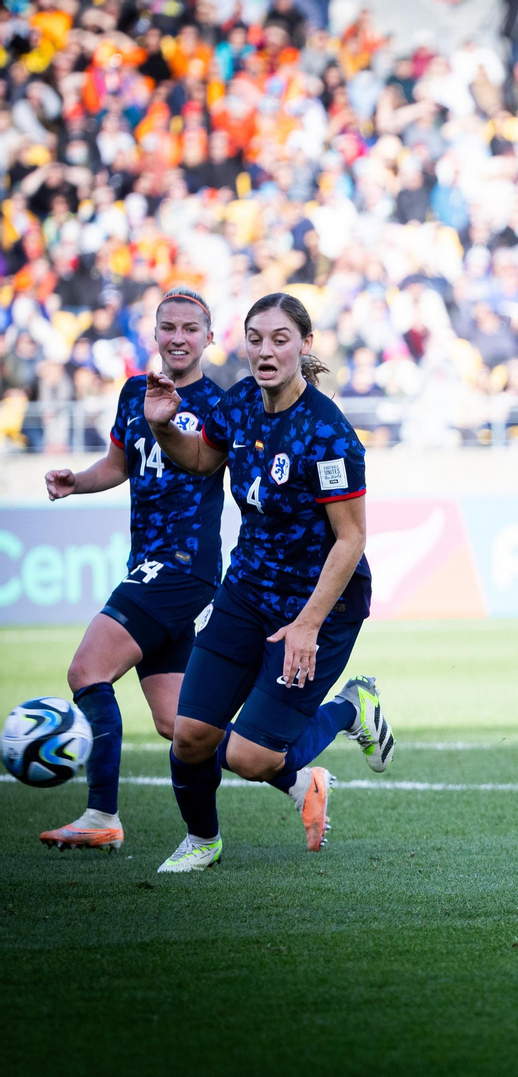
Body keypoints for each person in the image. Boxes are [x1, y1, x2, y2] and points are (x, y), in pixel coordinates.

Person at [143, 292, 395, 873]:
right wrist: (163, 428)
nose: (265, 351)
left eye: (280, 339)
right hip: (246, 592)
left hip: (320, 607)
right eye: (255, 339)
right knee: (189, 734)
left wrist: (306, 626)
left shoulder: (328, 432)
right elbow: (201, 459)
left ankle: (351, 708)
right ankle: (202, 841)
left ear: (304, 345)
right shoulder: (238, 403)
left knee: (250, 758)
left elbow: (351, 538)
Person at [35, 289, 235, 852]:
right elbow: (118, 466)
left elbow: (210, 466)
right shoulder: (133, 392)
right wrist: (78, 481)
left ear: (209, 337)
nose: (178, 337)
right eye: (168, 327)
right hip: (148, 563)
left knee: (86, 671)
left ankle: (101, 814)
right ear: (154, 333)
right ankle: (296, 773)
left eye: (190, 329)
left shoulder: (220, 407)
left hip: (181, 566)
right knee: (178, 723)